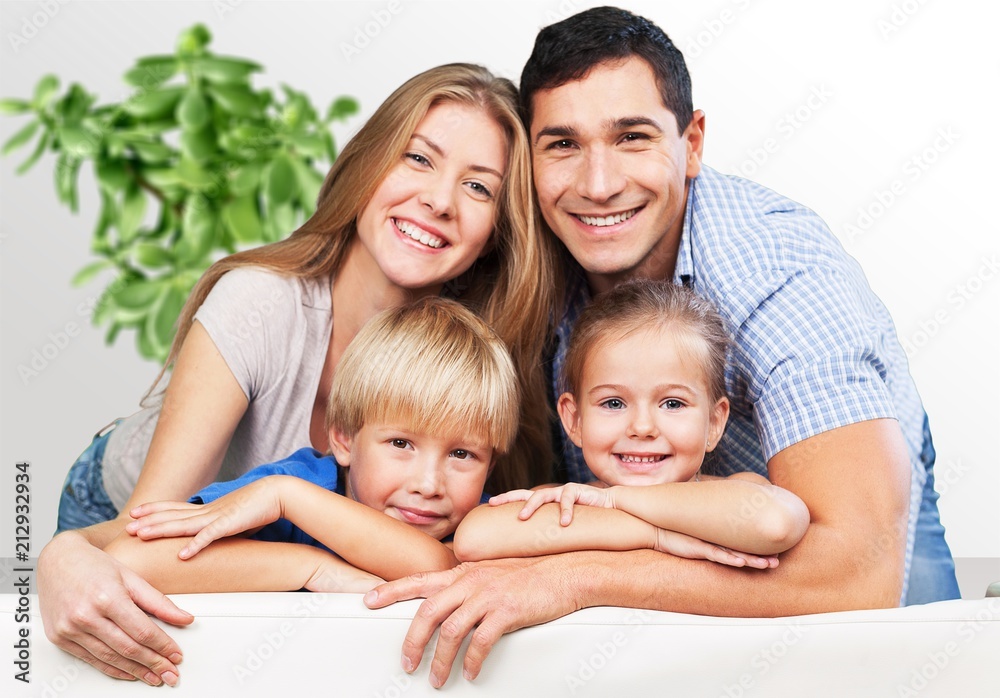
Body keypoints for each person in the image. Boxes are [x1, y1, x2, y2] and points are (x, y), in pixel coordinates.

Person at [364, 8, 960, 688]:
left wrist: (576, 579)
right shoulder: (534, 252)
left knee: (910, 666)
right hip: (659, 555)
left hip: (834, 542)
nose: (598, 184)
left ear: (693, 141)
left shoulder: (778, 271)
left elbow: (858, 570)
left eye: (632, 138)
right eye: (562, 145)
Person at [38, 63, 558, 687]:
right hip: (124, 507)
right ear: (368, 164)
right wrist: (59, 555)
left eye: (479, 189)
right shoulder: (260, 304)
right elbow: (141, 538)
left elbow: (445, 559)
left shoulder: (468, 359)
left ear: (497, 232)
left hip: (266, 546)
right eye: (418, 159)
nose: (440, 201)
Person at [104, 297, 519, 596]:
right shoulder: (294, 484)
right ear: (342, 439)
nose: (429, 484)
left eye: (462, 454)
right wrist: (311, 567)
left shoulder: (479, 523)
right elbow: (129, 558)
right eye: (400, 443)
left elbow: (434, 565)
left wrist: (287, 499)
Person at [454, 279, 809, 566]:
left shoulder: (735, 491)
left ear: (714, 423)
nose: (642, 428)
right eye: (613, 402)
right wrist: (653, 536)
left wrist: (614, 502)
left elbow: (774, 524)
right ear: (574, 419)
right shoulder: (561, 503)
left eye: (672, 403)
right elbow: (474, 538)